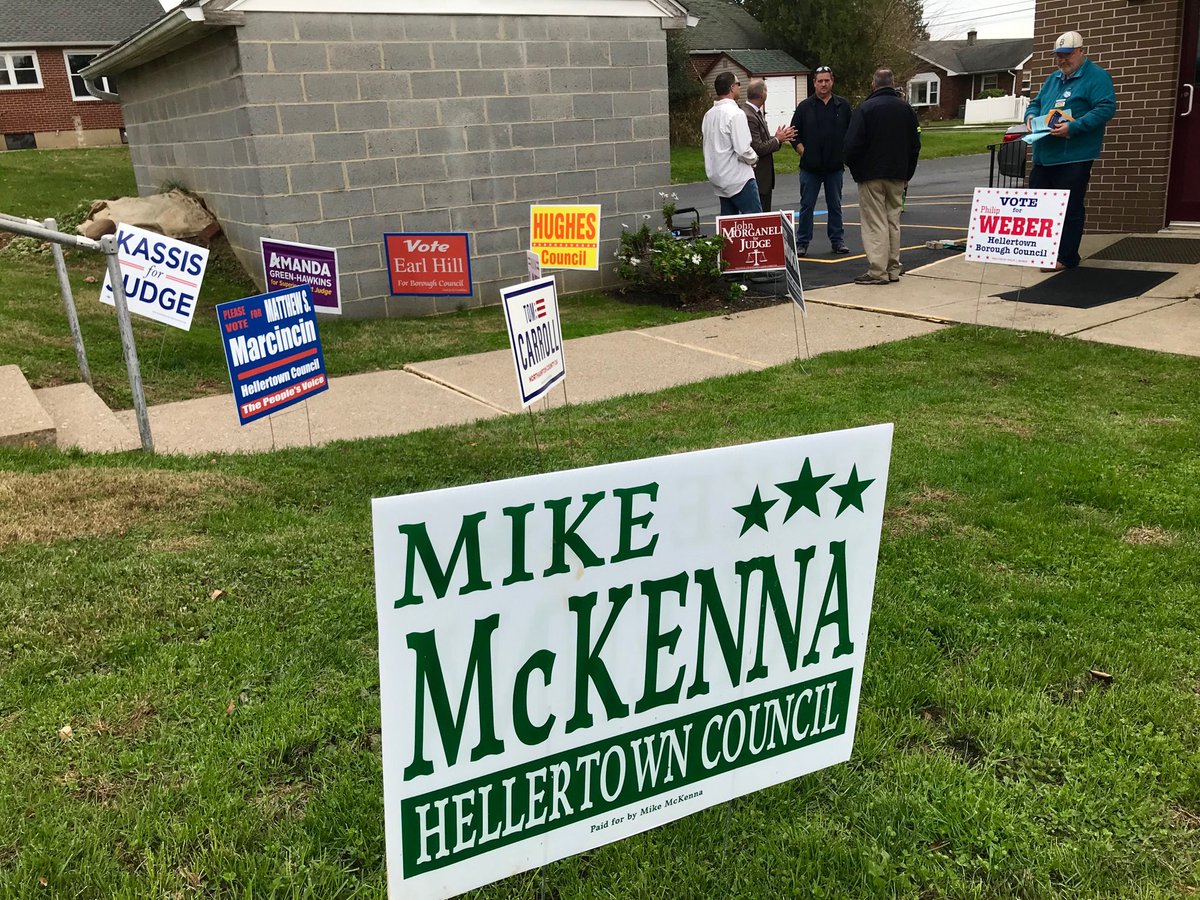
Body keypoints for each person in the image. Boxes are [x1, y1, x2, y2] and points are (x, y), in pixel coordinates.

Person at [1024, 31, 1117, 270]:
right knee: (1040, 206)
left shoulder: (1096, 77)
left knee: (1070, 207)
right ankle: (1043, 251)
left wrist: (1074, 127)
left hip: (1074, 155)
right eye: (1058, 56)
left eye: (1067, 55)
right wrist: (1031, 116)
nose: (1062, 60)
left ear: (1080, 51)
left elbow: (1105, 108)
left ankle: (1066, 257)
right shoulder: (1054, 78)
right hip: (1045, 155)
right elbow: (1035, 102)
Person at [844, 69, 920, 285]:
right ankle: (893, 267)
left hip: (871, 174)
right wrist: (908, 173)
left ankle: (878, 271)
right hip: (898, 173)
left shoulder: (866, 109)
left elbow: (851, 145)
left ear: (873, 84)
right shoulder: (906, 109)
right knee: (893, 220)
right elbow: (915, 144)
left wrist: (855, 168)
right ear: (892, 83)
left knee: (875, 222)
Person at [789, 65, 852, 256]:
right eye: (820, 81)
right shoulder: (804, 107)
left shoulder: (843, 106)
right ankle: (802, 242)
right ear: (814, 83)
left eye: (827, 80)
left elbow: (852, 133)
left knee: (835, 204)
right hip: (810, 168)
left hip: (834, 167)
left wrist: (845, 155)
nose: (823, 84)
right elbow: (793, 134)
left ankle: (837, 240)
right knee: (807, 205)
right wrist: (803, 151)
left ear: (832, 81)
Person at [702, 72, 762, 215]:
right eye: (738, 84)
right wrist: (754, 158)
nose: (740, 87)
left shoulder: (709, 115)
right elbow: (743, 149)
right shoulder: (736, 113)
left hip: (719, 178)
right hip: (739, 179)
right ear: (732, 87)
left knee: (730, 228)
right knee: (755, 224)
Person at [743, 79, 796, 212]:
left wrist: (778, 139)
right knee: (760, 216)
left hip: (763, 179)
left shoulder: (755, 113)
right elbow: (758, 148)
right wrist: (777, 140)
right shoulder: (749, 116)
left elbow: (762, 141)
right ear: (762, 94)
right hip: (758, 177)